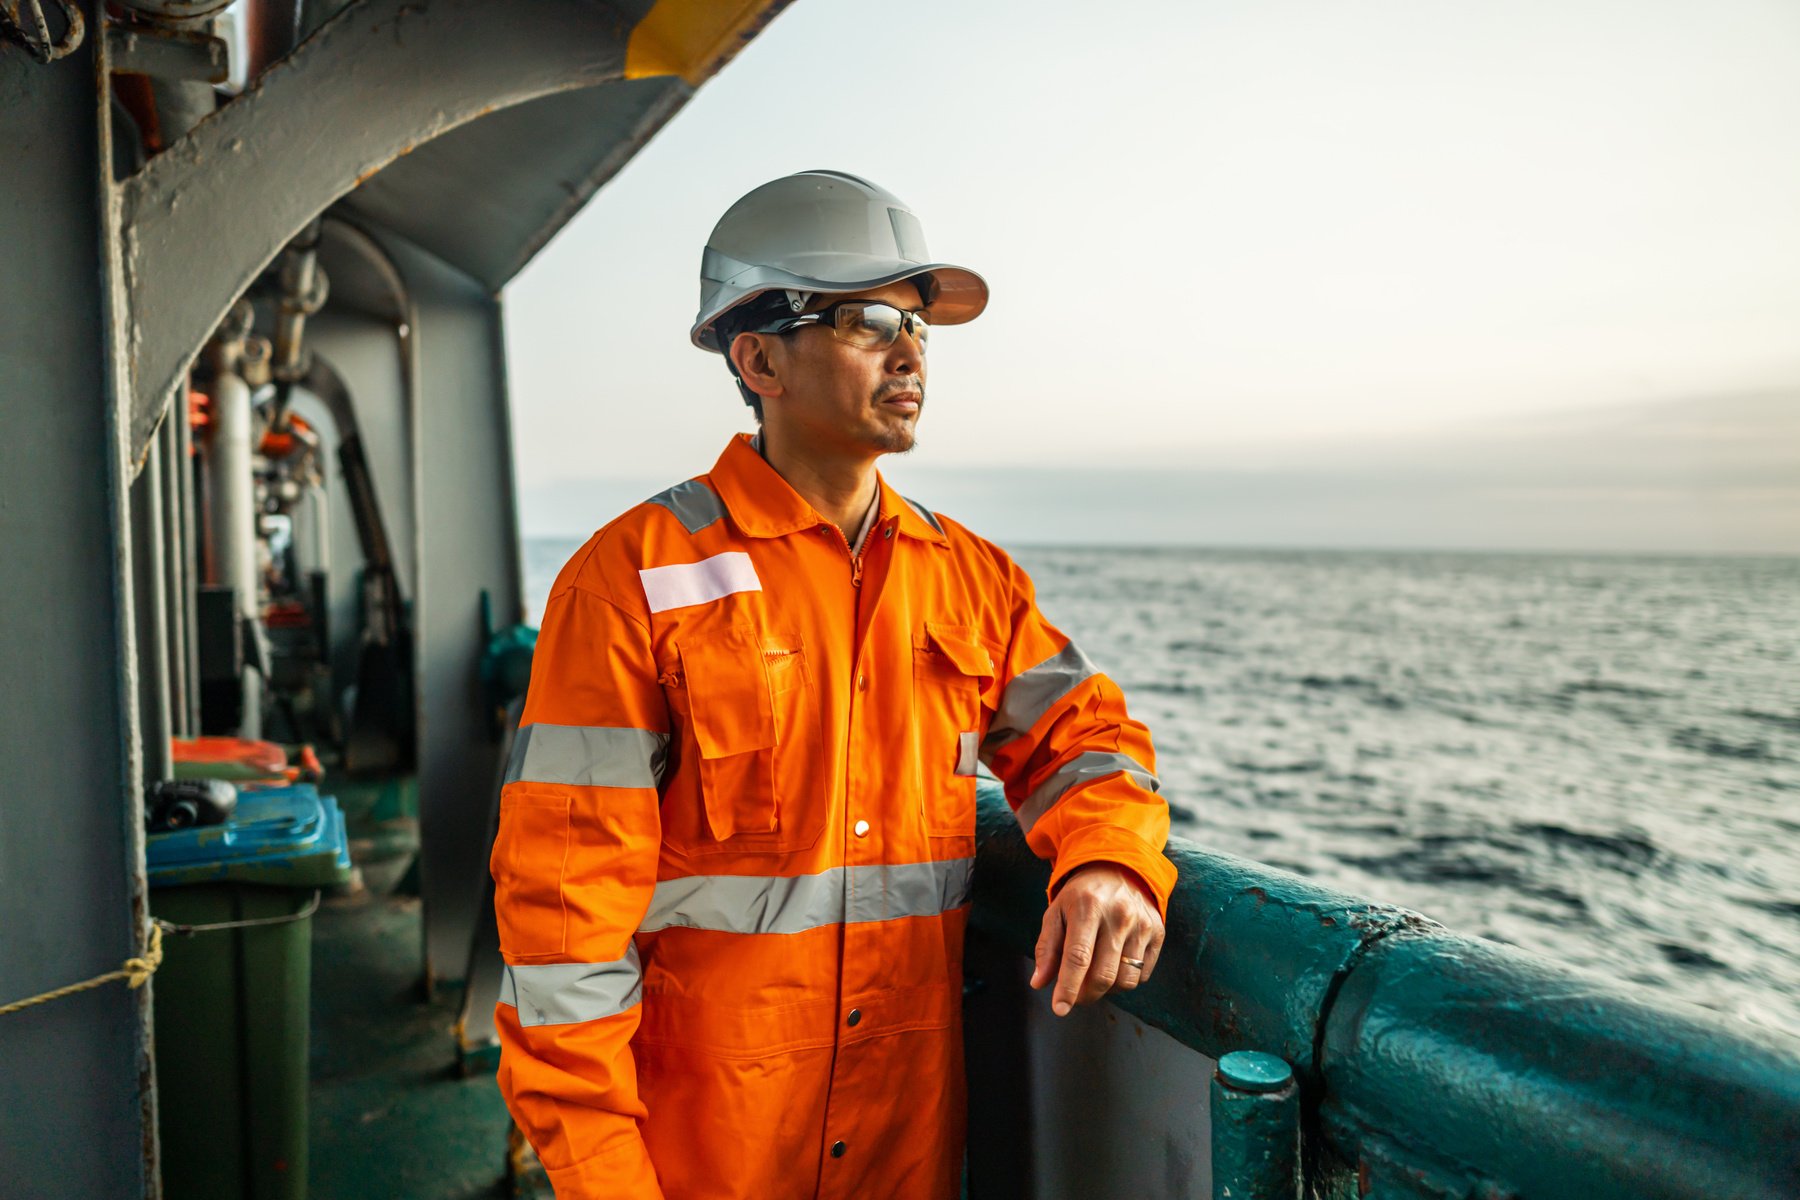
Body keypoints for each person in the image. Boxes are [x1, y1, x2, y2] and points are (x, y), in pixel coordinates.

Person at [492, 170, 1177, 1200]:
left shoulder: (972, 579)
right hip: (702, 1161)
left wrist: (1111, 862)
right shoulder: (628, 582)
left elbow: (1086, 739)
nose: (910, 353)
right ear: (758, 357)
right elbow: (560, 938)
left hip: (906, 1147)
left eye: (918, 329)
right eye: (866, 321)